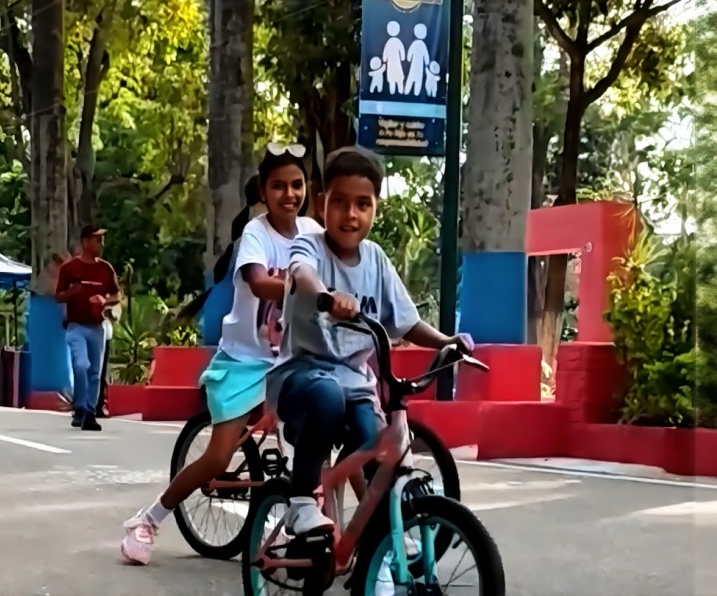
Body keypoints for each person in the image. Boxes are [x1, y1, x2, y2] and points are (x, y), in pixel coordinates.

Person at [120, 143, 323, 565]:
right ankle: (150, 518)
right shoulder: (255, 234)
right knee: (217, 457)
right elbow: (258, 281)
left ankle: (367, 533)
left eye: (297, 184)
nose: (289, 194)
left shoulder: (312, 231)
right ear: (263, 192)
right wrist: (309, 290)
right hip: (245, 363)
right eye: (279, 186)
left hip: (292, 359)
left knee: (336, 425)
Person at [267, 146, 474, 535]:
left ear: (376, 207)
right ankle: (300, 502)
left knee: (376, 441)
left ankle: (378, 539)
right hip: (301, 379)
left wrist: (447, 341)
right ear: (322, 203)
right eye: (340, 202)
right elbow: (301, 273)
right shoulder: (310, 245)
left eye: (363, 204)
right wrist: (328, 296)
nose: (351, 214)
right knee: (327, 396)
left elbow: (407, 322)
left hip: (356, 387)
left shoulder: (376, 259)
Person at [55, 225, 121, 432]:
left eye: (102, 240)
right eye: (97, 240)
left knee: (95, 372)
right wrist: (73, 293)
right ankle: (80, 407)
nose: (101, 244)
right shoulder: (69, 268)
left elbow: (117, 294)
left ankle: (89, 414)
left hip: (97, 327)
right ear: (85, 242)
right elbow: (58, 296)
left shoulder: (106, 269)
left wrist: (105, 301)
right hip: (76, 327)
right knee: (81, 365)